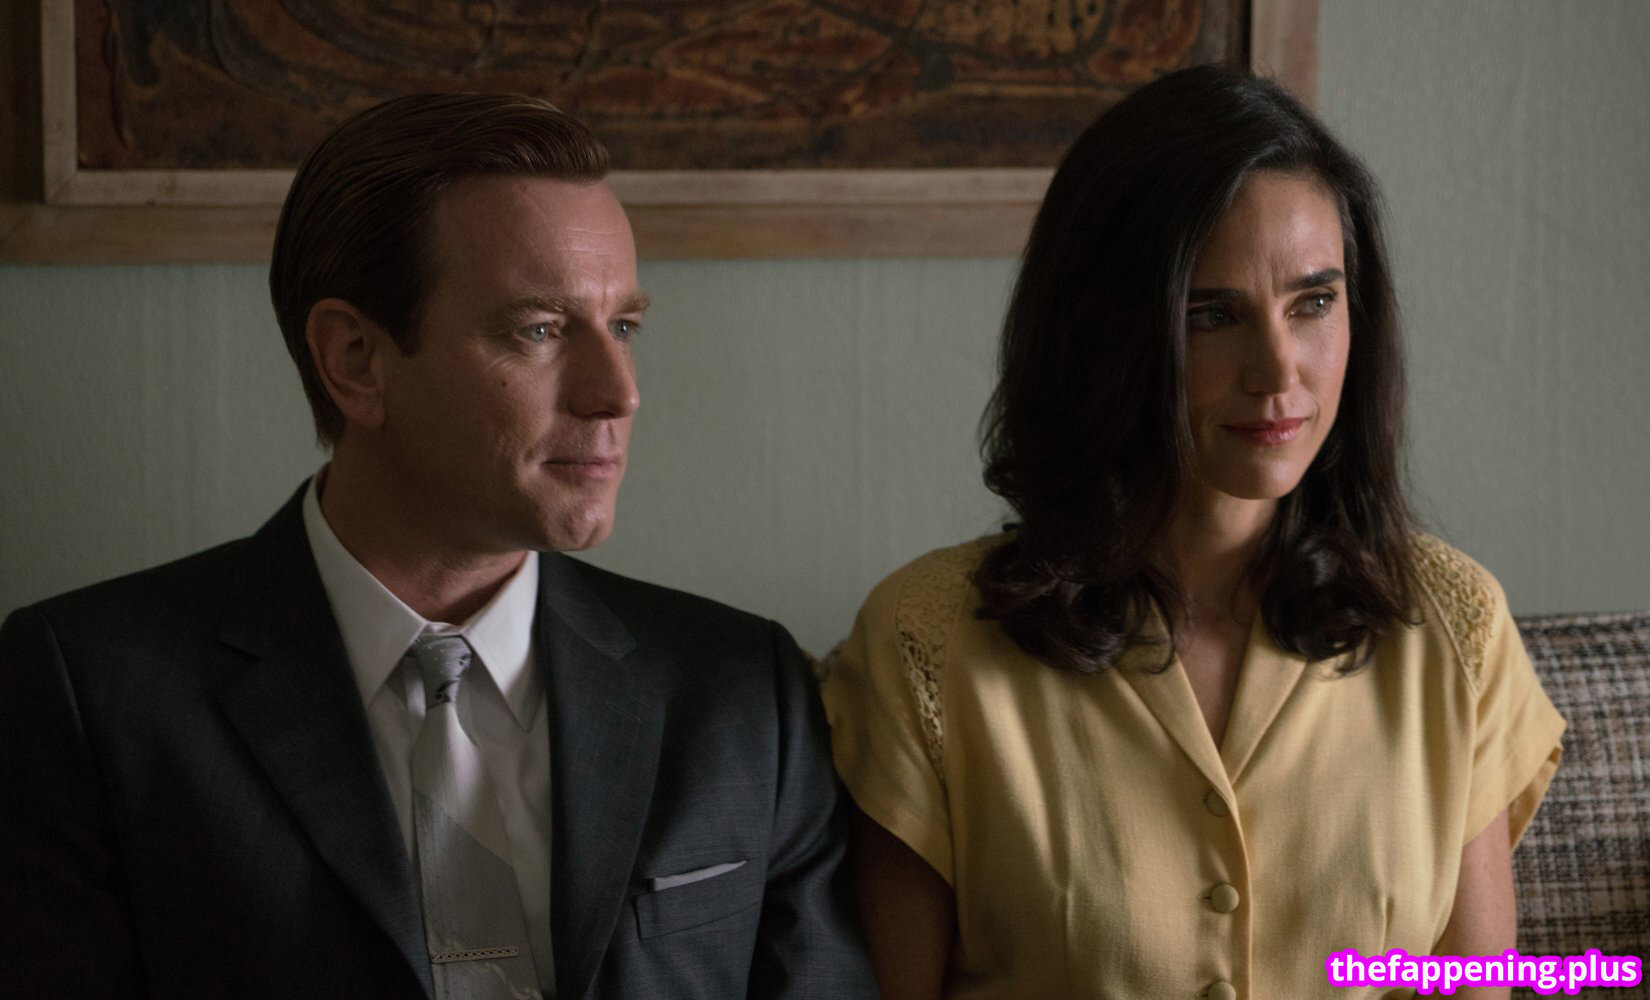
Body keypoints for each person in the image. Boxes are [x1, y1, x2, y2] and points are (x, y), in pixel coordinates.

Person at [0, 94, 876, 1000]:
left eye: (623, 327)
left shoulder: (742, 693)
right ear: (355, 360)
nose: (617, 393)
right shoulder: (91, 695)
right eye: (539, 330)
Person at [820, 65, 1564, 1000]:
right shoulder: (925, 645)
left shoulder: (1456, 627)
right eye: (1210, 315)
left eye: (1314, 302)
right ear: (1104, 332)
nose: (1278, 372)